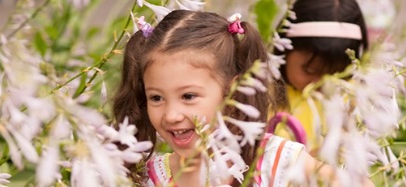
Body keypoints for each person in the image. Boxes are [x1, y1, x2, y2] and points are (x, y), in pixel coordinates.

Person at [113, 10, 373, 187]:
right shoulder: (152, 175)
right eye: (156, 98)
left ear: (232, 92)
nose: (171, 115)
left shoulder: (275, 159)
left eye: (188, 96)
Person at [274, 0, 369, 153]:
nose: (321, 84)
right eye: (310, 70)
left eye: (337, 74)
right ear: (284, 51)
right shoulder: (264, 95)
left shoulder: (353, 98)